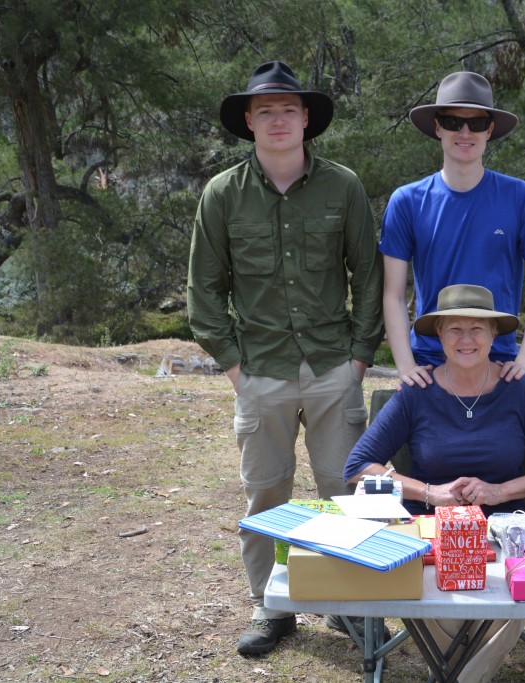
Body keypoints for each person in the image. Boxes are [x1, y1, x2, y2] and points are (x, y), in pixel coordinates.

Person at [186, 60, 384, 657]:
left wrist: (356, 360)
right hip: (261, 370)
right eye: (265, 110)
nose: (278, 120)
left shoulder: (342, 187)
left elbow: (369, 277)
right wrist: (235, 368)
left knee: (346, 491)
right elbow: (204, 291)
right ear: (249, 121)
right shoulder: (221, 194)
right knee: (266, 495)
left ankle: (351, 604)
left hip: (332, 368)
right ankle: (271, 606)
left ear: (306, 121)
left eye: (289, 110)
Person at [343, 284, 525, 683]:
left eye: (478, 329)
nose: (466, 339)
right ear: (439, 335)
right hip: (432, 537)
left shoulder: (516, 390)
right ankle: (466, 672)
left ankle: (458, 674)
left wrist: (499, 491)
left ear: (494, 336)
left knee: (503, 598)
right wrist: (430, 493)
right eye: (455, 329)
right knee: (447, 607)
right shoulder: (415, 393)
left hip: (508, 538)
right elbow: (356, 467)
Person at [380, 71, 525, 389]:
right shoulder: (407, 201)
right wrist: (405, 366)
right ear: (437, 127)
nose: (464, 132)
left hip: (499, 364)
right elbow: (392, 294)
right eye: (452, 122)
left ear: (489, 130)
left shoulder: (520, 197)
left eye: (475, 123)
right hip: (429, 366)